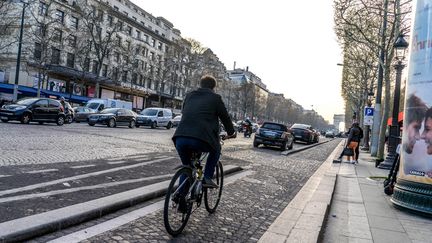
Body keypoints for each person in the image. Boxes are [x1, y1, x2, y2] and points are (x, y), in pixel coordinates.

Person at [172, 75, 236, 189]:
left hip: (180, 138)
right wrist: (231, 132)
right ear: (213, 87)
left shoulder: (189, 95)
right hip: (201, 139)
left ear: (200, 84)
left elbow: (185, 112)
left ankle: (181, 197)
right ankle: (207, 177)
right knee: (216, 150)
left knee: (188, 166)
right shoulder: (216, 98)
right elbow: (225, 118)